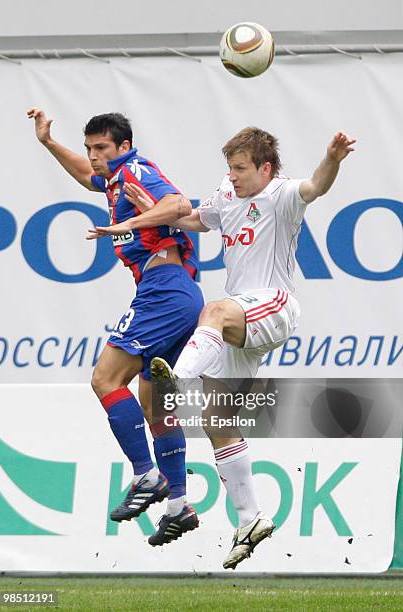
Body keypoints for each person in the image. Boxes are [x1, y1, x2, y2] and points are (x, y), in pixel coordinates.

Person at [87, 126, 356, 568]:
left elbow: (316, 186)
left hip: (273, 304)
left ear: (265, 168)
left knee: (211, 311)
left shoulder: (282, 195)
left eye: (240, 168)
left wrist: (333, 158)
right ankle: (250, 518)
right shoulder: (227, 198)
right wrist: (157, 212)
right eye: (229, 168)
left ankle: (181, 376)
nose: (232, 176)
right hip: (243, 322)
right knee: (217, 420)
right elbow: (194, 219)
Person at [27, 108, 204, 545]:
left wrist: (127, 223)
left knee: (105, 379)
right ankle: (180, 505)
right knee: (155, 405)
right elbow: (87, 175)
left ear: (124, 147)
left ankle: (147, 475)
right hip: (175, 292)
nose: (94, 156)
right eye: (90, 148)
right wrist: (49, 143)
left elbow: (179, 204)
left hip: (164, 290)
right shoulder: (112, 178)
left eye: (101, 148)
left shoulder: (136, 170)